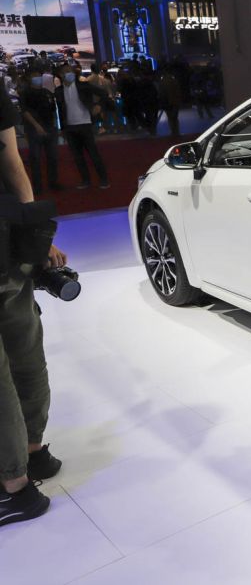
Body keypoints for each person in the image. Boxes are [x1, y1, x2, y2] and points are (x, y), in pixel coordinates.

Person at [0, 86, 67, 527]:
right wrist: (35, 237)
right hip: (7, 237)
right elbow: (12, 162)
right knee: (24, 349)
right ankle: (34, 452)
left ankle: (14, 486)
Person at [54, 65, 109, 190]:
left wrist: (99, 105)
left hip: (85, 123)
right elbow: (61, 111)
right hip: (70, 127)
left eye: (70, 71)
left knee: (94, 154)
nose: (69, 73)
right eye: (66, 72)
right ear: (61, 75)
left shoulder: (83, 86)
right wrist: (63, 129)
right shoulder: (59, 91)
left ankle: (104, 179)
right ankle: (86, 180)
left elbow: (103, 93)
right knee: (77, 157)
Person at [19, 71, 60, 194]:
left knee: (52, 157)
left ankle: (53, 182)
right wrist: (36, 125)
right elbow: (25, 111)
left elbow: (53, 109)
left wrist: (54, 126)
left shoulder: (46, 92)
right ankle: (37, 186)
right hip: (33, 129)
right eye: (34, 76)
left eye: (38, 76)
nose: (38, 78)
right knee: (35, 158)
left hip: (49, 127)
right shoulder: (25, 93)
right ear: (29, 79)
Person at [158, 63, 183, 137]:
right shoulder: (174, 80)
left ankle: (173, 131)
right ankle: (176, 131)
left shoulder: (162, 81)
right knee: (175, 117)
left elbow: (161, 92)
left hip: (167, 101)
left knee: (170, 117)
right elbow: (178, 91)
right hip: (175, 101)